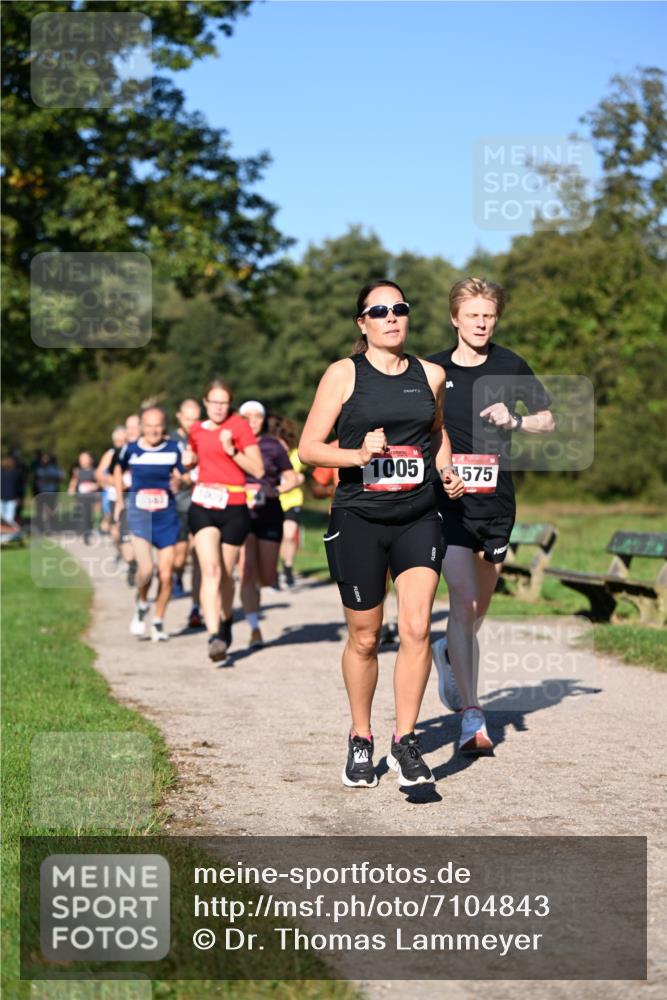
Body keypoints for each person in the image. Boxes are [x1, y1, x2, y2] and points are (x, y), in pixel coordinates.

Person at [299, 280, 463, 789]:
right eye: (380, 310)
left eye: (400, 309)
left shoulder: (431, 374)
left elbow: (435, 433)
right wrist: (357, 456)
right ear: (362, 323)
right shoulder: (344, 374)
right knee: (366, 637)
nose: (392, 317)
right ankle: (361, 737)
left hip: (419, 515)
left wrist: (448, 469)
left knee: (416, 629)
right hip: (359, 518)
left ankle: (406, 741)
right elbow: (308, 448)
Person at [428, 277, 555, 754]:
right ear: (455, 318)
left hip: (497, 502)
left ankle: (449, 653)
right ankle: (473, 715)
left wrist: (517, 420)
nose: (482, 323)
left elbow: (549, 419)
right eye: (473, 315)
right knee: (462, 602)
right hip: (449, 500)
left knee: (478, 608)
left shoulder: (510, 365)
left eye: (489, 316)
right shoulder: (433, 369)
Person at [183, 379, 264, 663]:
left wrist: (233, 451)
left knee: (227, 576)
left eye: (223, 402)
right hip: (203, 505)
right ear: (205, 403)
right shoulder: (195, 430)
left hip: (234, 506)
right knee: (211, 571)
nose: (218, 407)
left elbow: (258, 468)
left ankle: (227, 618)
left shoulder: (239, 427)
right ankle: (214, 635)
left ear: (229, 404)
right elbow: (193, 457)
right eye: (213, 402)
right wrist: (189, 460)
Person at [114, 408, 185, 642]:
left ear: (163, 426)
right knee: (146, 570)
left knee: (166, 576)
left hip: (166, 518)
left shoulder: (174, 448)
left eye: (158, 426)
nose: (153, 430)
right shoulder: (130, 449)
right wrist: (120, 500)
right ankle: (142, 603)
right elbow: (117, 469)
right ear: (141, 426)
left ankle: (158, 621)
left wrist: (181, 481)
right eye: (149, 426)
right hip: (140, 517)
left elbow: (186, 476)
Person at [238, 401, 299, 648]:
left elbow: (293, 478)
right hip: (240, 513)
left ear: (263, 420)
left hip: (269, 512)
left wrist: (276, 490)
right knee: (246, 571)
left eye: (257, 416)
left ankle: (259, 587)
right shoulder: (232, 445)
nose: (252, 420)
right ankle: (254, 627)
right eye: (247, 416)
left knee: (265, 576)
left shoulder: (273, 445)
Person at [171, 399, 203, 628]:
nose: (193, 423)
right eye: (188, 418)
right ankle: (177, 575)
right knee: (180, 556)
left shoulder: (204, 435)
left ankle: (196, 608)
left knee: (200, 556)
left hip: (202, 503)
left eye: (196, 418)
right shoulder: (171, 441)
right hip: (178, 505)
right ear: (179, 417)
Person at [275, 417, 306, 587]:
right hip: (275, 500)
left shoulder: (295, 455)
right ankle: (276, 570)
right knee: (278, 537)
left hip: (293, 500)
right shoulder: (271, 454)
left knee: (289, 536)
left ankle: (287, 566)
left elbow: (301, 475)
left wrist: (299, 479)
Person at [67, 450, 100, 543]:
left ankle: (90, 530)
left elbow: (100, 483)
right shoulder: (77, 471)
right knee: (84, 515)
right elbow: (74, 481)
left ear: (90, 460)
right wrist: (71, 489)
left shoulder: (95, 471)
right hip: (81, 497)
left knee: (91, 515)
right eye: (82, 459)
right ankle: (85, 533)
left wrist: (94, 486)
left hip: (91, 497)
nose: (84, 461)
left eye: (85, 459)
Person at [33, 452, 65, 533]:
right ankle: (40, 528)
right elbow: (35, 481)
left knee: (51, 511)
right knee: (39, 511)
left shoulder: (54, 468)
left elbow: (61, 477)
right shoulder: (39, 468)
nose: (45, 460)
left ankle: (51, 527)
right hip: (41, 492)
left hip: (51, 492)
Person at [1, 454, 23, 526]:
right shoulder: (16, 473)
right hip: (9, 498)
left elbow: (19, 487)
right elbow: (20, 487)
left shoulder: (16, 473)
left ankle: (5, 534)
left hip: (10, 498)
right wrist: (20, 497)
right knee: (8, 518)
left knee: (7, 518)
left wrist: (19, 497)